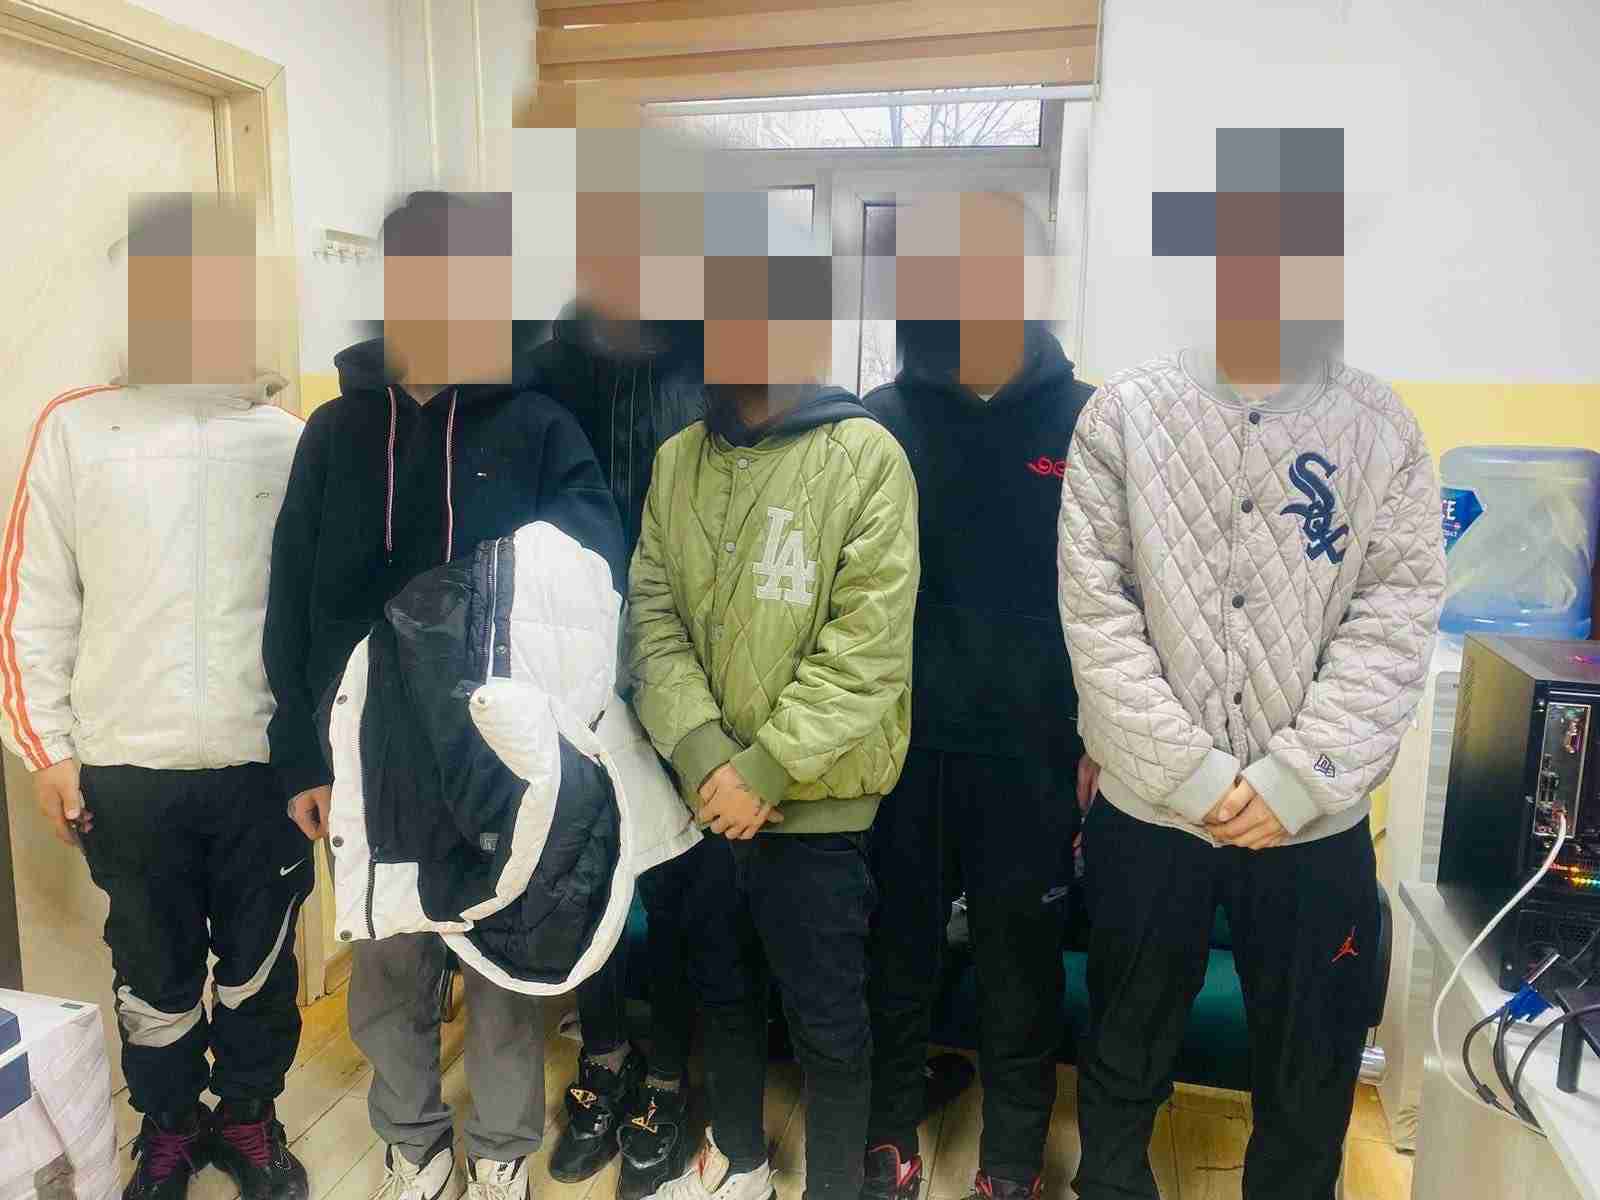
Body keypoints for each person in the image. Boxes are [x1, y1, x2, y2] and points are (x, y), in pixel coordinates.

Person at [263, 191, 625, 1200]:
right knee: (387, 965)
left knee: (503, 963)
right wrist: (299, 755)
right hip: (364, 748)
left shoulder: (541, 425)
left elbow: (593, 583)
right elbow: (291, 597)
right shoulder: (336, 431)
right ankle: (411, 1141)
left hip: (496, 751)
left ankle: (502, 1147)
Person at [1058, 345, 1446, 1198]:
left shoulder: (1382, 429)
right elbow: (1096, 612)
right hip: (1150, 814)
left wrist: (1296, 780)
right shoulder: (1124, 414)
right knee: (1122, 1048)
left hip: (1314, 828)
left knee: (1311, 1074)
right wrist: (1189, 774)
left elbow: (1395, 620)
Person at [0, 192, 310, 1200]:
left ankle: (251, 1116)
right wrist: (47, 750)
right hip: (126, 771)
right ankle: (169, 1124)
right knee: (152, 968)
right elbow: (33, 600)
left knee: (261, 964)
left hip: (262, 770)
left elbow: (319, 617)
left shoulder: (288, 439)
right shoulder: (75, 429)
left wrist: (322, 759)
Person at [628, 321, 920, 1199]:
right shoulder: (678, 459)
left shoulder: (866, 456)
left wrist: (763, 771)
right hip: (703, 800)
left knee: (828, 1022)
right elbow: (651, 618)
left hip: (817, 807)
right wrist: (706, 755)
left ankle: (832, 1184)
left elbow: (867, 649)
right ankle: (738, 1163)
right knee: (722, 992)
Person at [861, 309, 1095, 1200]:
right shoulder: (881, 418)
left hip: (1035, 752)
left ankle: (1010, 1165)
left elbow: (1116, 591)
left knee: (1021, 971)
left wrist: (1098, 736)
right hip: (904, 750)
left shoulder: (1087, 418)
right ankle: (889, 1141)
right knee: (895, 955)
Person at [521, 310, 708, 1200]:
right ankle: (603, 1054)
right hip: (571, 658)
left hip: (685, 660)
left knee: (676, 883)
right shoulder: (543, 367)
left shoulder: (713, 358)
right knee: (583, 870)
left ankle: (668, 1076)